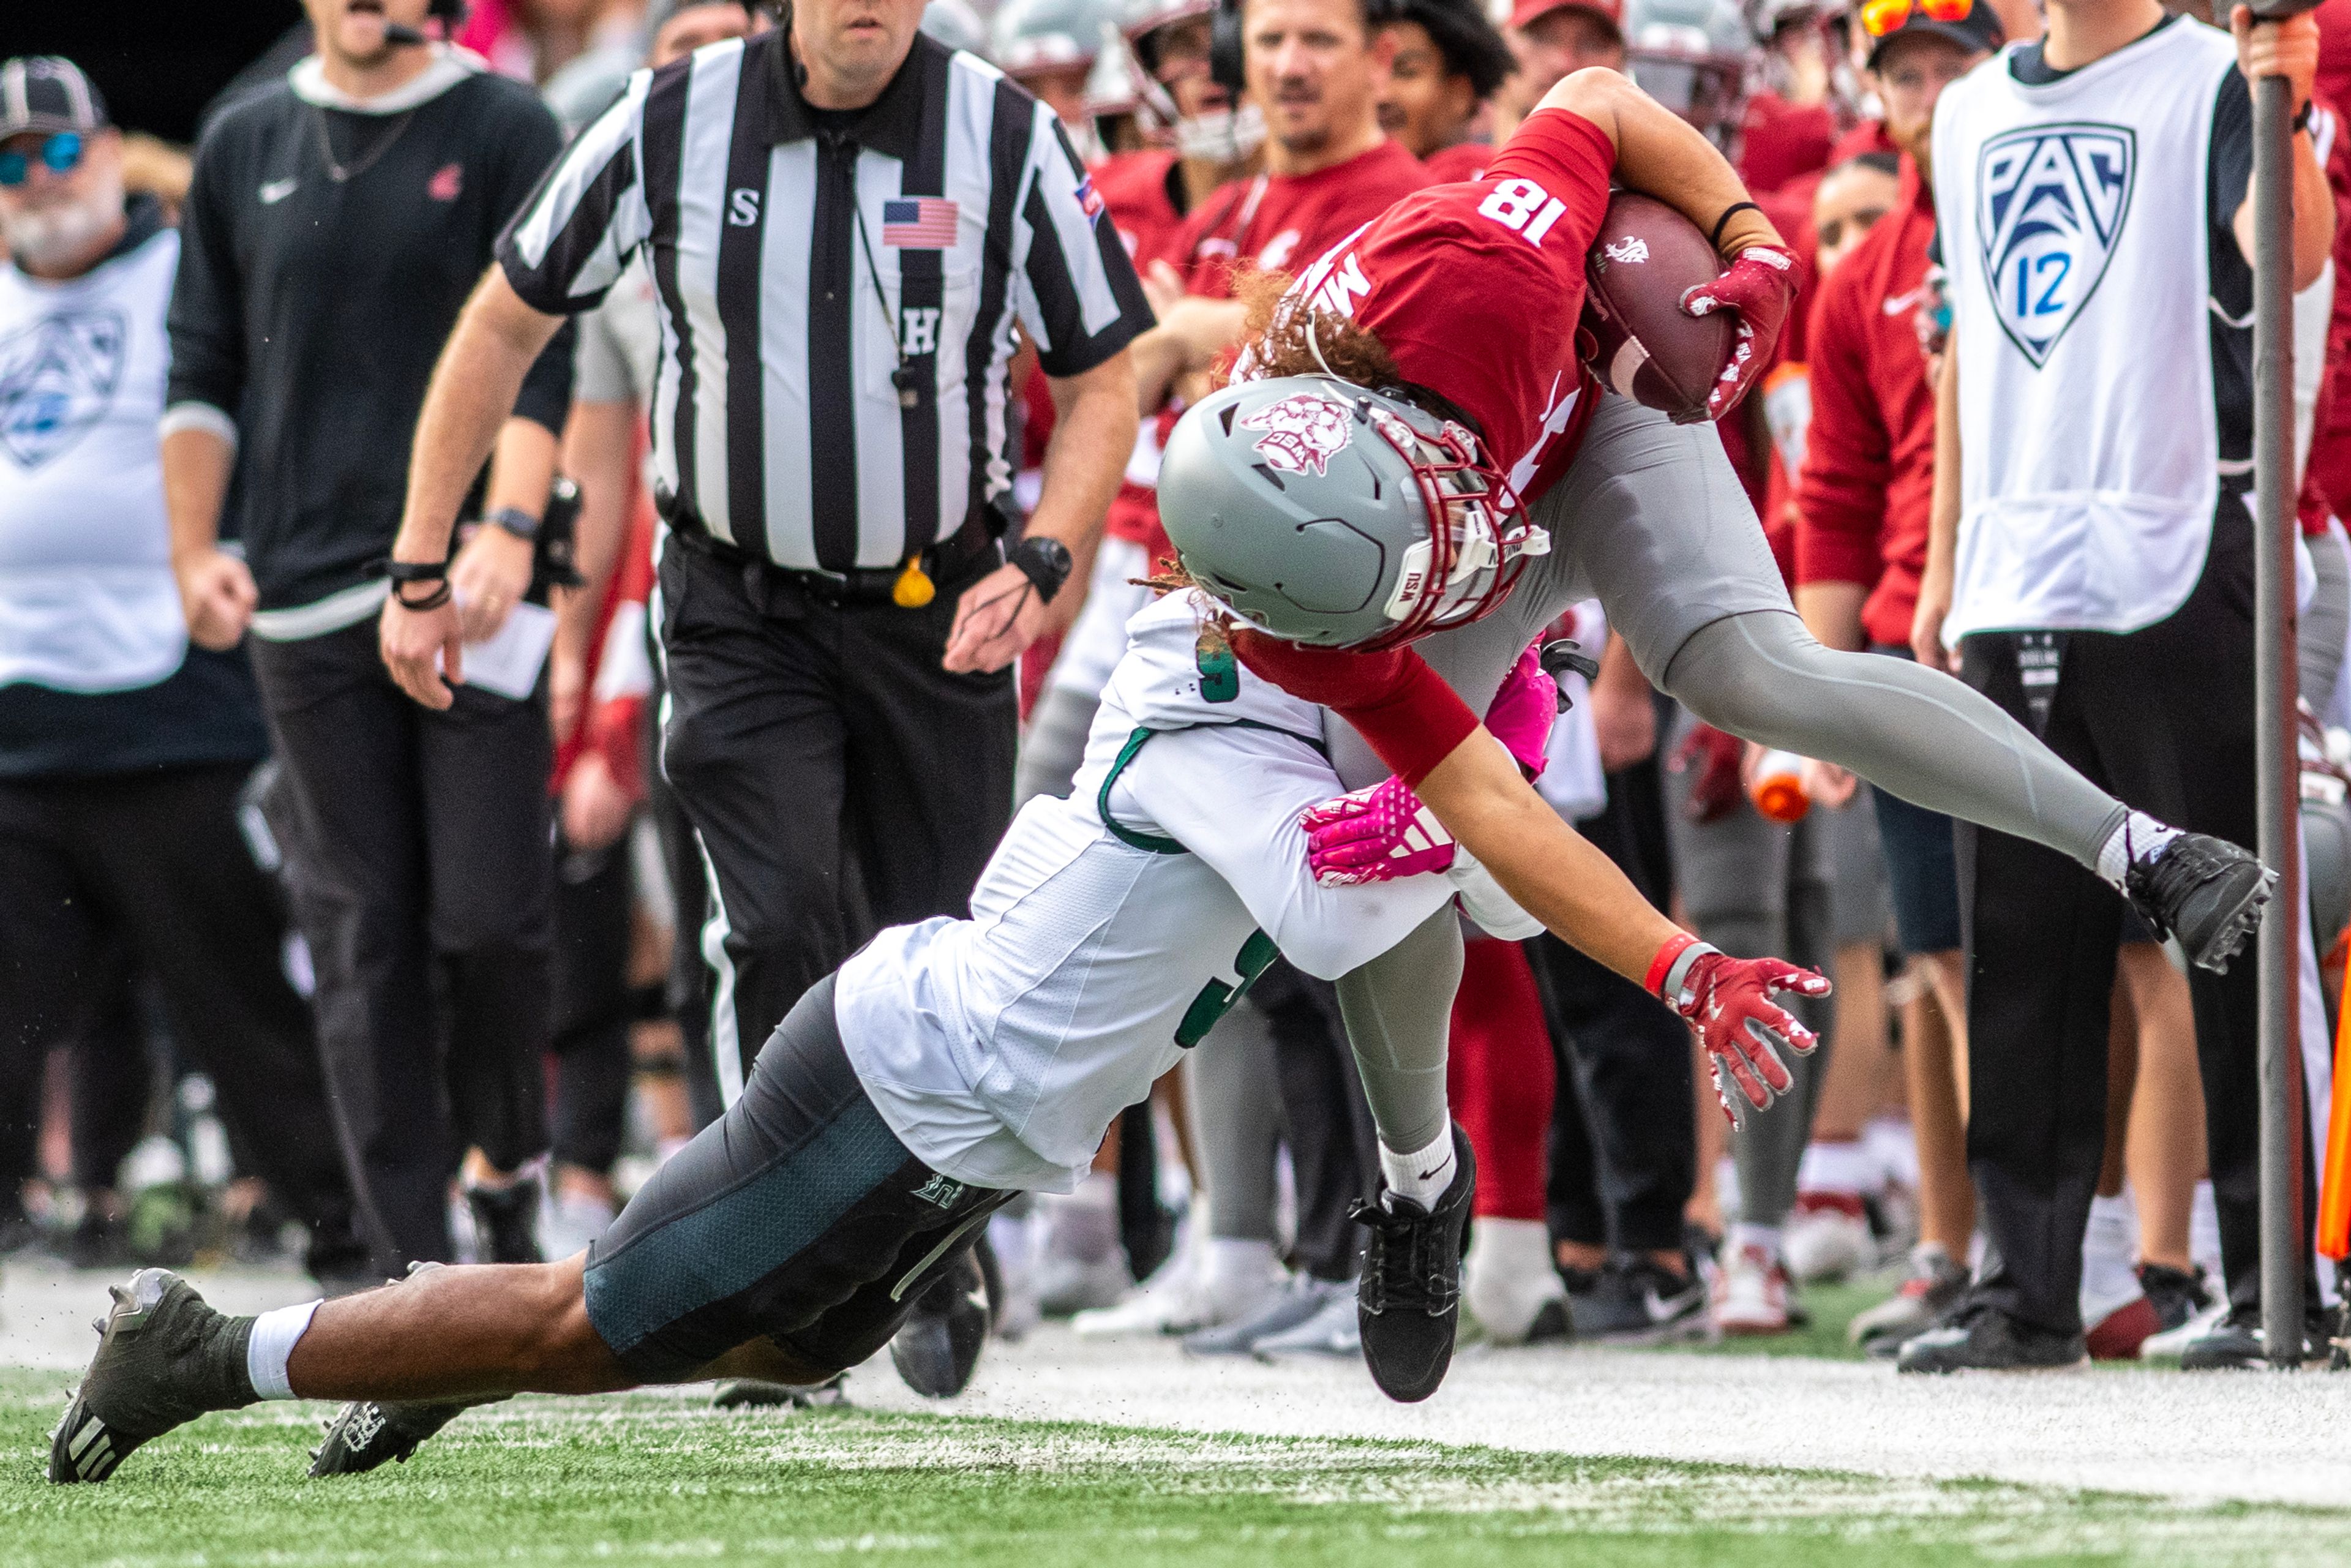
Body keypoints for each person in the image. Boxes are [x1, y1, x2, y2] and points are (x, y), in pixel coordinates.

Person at [47, 576, 1824, 1482]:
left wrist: (1471, 787)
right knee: (593, 1320)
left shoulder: (1308, 711)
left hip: (956, 1129)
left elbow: (1479, 894)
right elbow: (1354, 905)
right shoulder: (1216, 716)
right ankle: (202, 1349)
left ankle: (421, 1351)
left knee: (679, 1335)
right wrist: (1481, 795)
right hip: (906, 1088)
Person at [1153, 60, 2279, 1387]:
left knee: (1755, 669)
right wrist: (1684, 967)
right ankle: (1414, 1184)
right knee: (1388, 870)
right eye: (1394, 583)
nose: (1446, 564)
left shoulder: (1489, 274)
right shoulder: (1293, 598)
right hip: (1435, 501)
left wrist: (1750, 238)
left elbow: (1595, 91)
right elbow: (1493, 810)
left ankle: (2142, 847)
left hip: (1586, 409)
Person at [396, 0, 1150, 1115]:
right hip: (738, 608)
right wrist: (420, 563)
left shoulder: (1003, 130)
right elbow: (506, 320)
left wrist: (1043, 558)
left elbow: (1102, 383)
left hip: (937, 608)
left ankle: (935, 1272)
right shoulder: (668, 117)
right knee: (781, 926)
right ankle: (781, 1254)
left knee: (942, 948)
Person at [1902, 0, 2333, 1371]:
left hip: (2175, 537)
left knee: (2232, 921)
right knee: (2021, 946)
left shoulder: (2215, 77)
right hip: (2014, 562)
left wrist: (2292, 108)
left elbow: (2295, 260)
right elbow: (1969, 333)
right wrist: (1942, 555)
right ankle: (2025, 1287)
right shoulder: (1965, 111)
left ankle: (2277, 1277)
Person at [163, 0, 577, 1272]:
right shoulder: (243, 136)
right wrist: (193, 549)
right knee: (361, 928)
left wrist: (509, 524)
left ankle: (505, 1159)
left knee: (490, 923)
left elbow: (538, 353)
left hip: (469, 585)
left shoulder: (507, 124)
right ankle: (404, 1265)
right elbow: (201, 365)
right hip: (298, 592)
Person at [0, 56, 366, 1291]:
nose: (38, 178)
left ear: (111, 149)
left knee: (244, 1012)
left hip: (173, 710)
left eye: (59, 149)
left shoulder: (190, 273)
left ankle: (355, 1236)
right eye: (11, 160)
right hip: (19, 715)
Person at [1791, 0, 2000, 1355]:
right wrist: (1811, 689)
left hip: (2034, 614)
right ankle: (1961, 1242)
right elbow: (1837, 489)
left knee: (2091, 957)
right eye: (1903, 70)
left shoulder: (2022, 209)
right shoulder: (1868, 273)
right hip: (1904, 640)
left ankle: (2134, 1245)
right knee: (1936, 959)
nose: (1924, 91)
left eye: (1950, 64)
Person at [1377, 0, 1518, 179]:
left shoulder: (1478, 180)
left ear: (1460, 95)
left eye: (1407, 72)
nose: (1381, 95)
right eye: (1372, 71)